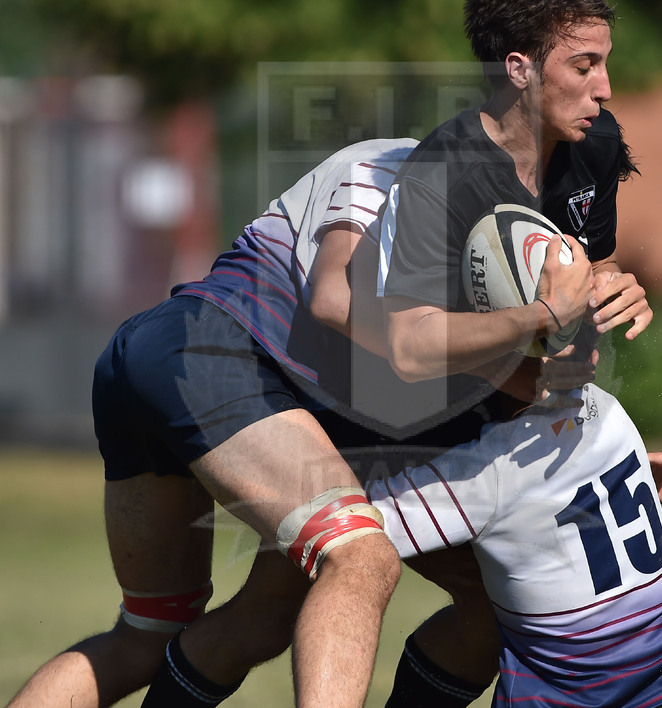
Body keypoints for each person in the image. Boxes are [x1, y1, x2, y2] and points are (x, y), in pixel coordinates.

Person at [5, 138, 592, 708]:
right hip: (211, 355)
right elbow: (339, 305)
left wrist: (580, 381)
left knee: (177, 629)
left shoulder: (479, 241)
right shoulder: (391, 170)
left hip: (216, 373)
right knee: (360, 558)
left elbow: (506, 374)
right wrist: (530, 330)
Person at [376, 0, 653, 703]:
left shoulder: (595, 143)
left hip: (518, 412)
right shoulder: (444, 171)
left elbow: (588, 277)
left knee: (508, 617)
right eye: (583, 66)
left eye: (605, 65)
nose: (604, 88)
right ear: (520, 68)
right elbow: (405, 348)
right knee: (276, 608)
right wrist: (541, 319)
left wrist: (612, 291)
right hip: (396, 417)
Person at [367, 384, 662, 708]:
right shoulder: (603, 406)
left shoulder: (482, 472)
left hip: (590, 699)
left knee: (477, 608)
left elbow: (356, 525)